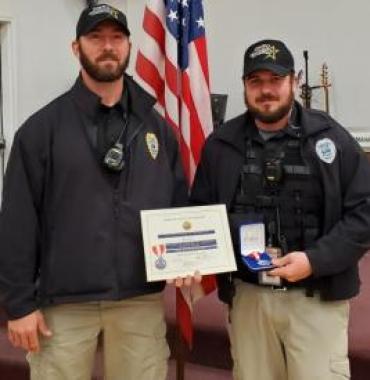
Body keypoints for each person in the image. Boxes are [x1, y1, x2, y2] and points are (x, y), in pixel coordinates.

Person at [0, 4, 188, 380]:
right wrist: (19, 305)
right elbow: (18, 223)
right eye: (96, 38)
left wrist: (188, 258)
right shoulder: (41, 131)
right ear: (76, 48)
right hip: (64, 305)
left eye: (117, 38)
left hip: (140, 299)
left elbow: (177, 205)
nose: (107, 47)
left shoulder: (157, 129)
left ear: (130, 47)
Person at [191, 38, 370, 380]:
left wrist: (314, 260)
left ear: (294, 81)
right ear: (244, 86)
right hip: (249, 300)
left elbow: (365, 214)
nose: (266, 90)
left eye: (275, 80)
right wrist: (192, 257)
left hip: (315, 297)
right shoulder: (221, 145)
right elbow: (201, 214)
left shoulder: (330, 138)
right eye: (256, 82)